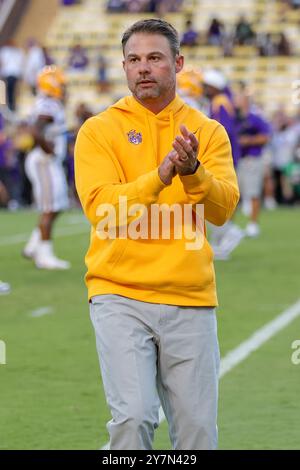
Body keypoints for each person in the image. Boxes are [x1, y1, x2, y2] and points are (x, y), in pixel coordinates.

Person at [75, 18, 239, 450]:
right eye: (133, 60)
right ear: (123, 67)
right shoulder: (98, 130)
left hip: (190, 296)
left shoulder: (207, 132)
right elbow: (103, 212)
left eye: (154, 58)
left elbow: (223, 210)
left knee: (198, 434)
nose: (143, 68)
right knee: (133, 419)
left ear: (178, 63)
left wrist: (194, 174)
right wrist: (161, 175)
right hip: (119, 293)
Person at [23, 66, 70, 269]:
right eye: (61, 83)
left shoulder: (49, 103)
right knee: (50, 207)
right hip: (44, 161)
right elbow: (36, 130)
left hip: (46, 161)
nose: (64, 88)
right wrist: (48, 151)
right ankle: (44, 255)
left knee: (57, 206)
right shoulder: (49, 104)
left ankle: (34, 246)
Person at [202, 69, 244, 260]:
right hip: (225, 157)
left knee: (211, 198)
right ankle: (220, 243)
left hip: (220, 158)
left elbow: (221, 131)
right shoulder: (222, 102)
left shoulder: (220, 103)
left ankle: (229, 232)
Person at [235, 89, 272, 237]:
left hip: (252, 158)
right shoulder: (234, 118)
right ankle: (231, 225)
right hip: (237, 159)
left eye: (239, 99)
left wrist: (249, 141)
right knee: (235, 193)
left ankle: (253, 224)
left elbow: (266, 136)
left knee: (253, 192)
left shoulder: (255, 118)